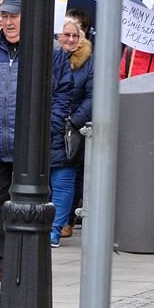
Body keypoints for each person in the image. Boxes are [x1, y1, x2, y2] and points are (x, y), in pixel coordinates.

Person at [0, 0, 73, 282]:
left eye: (14, 17)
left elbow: (62, 94)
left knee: (32, 205)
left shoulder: (50, 51)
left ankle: (28, 261)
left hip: (31, 143)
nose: (8, 23)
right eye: (4, 17)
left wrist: (49, 128)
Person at [50, 16, 93, 247]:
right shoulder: (46, 56)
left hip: (69, 130)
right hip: (45, 126)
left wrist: (73, 121)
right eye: (66, 34)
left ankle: (56, 228)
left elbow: (92, 95)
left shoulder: (88, 61)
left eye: (75, 35)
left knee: (64, 180)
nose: (71, 39)